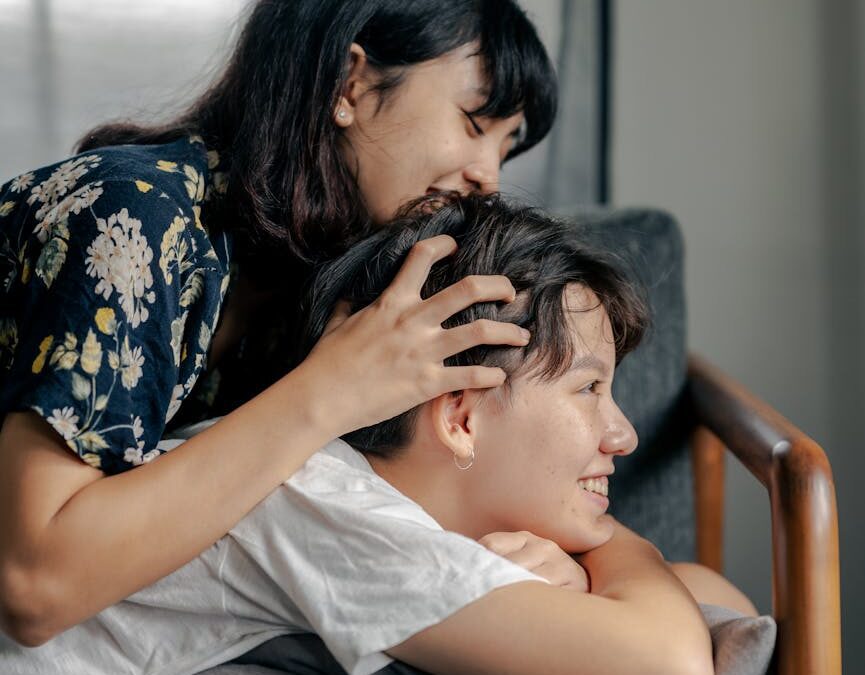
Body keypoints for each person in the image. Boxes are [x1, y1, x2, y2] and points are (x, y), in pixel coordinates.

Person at [0, 194, 753, 675]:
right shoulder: (334, 507)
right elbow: (667, 657)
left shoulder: (355, 496)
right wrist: (613, 543)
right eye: (590, 388)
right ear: (459, 415)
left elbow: (715, 600)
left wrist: (584, 568)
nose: (621, 433)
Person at [0, 0, 557, 645]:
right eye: (474, 121)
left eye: (506, 146)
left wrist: (525, 561)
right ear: (352, 84)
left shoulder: (322, 285)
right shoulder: (137, 218)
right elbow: (35, 586)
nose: (488, 177)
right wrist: (327, 393)